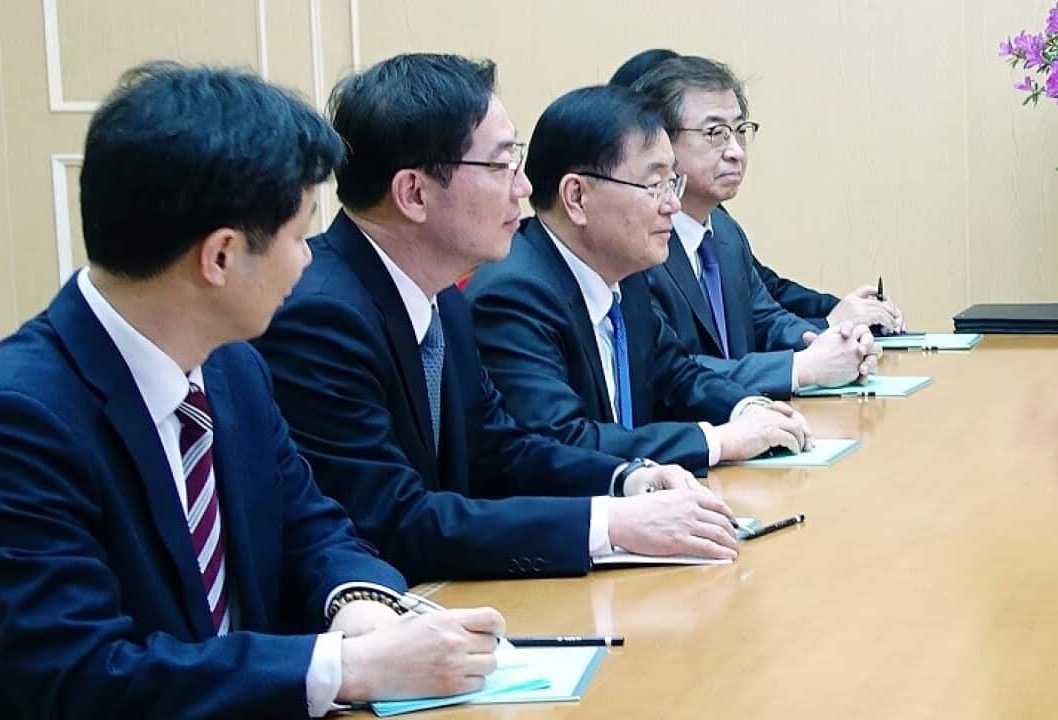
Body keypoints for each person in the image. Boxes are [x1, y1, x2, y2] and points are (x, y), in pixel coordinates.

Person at [0, 62, 504, 719]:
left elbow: (313, 530)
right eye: (296, 232)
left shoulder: (232, 370)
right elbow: (85, 678)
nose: (309, 257)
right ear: (220, 256)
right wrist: (346, 667)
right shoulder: (15, 419)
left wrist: (355, 606)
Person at [254, 53, 741, 584]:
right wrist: (609, 524)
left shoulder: (442, 300)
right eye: (501, 165)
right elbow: (394, 521)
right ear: (413, 193)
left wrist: (628, 478)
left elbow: (498, 450)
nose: (525, 188)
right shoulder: (321, 315)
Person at [466, 85, 813, 475]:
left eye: (673, 183)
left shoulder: (625, 274)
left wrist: (747, 408)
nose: (673, 205)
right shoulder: (513, 294)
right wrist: (719, 440)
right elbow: (561, 441)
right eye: (655, 185)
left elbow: (677, 375)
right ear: (577, 197)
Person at [628, 54, 882, 397]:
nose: (736, 152)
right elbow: (672, 372)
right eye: (715, 133)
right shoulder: (637, 244)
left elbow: (766, 320)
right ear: (661, 143)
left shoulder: (725, 232)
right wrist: (802, 368)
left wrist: (837, 341)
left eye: (740, 131)